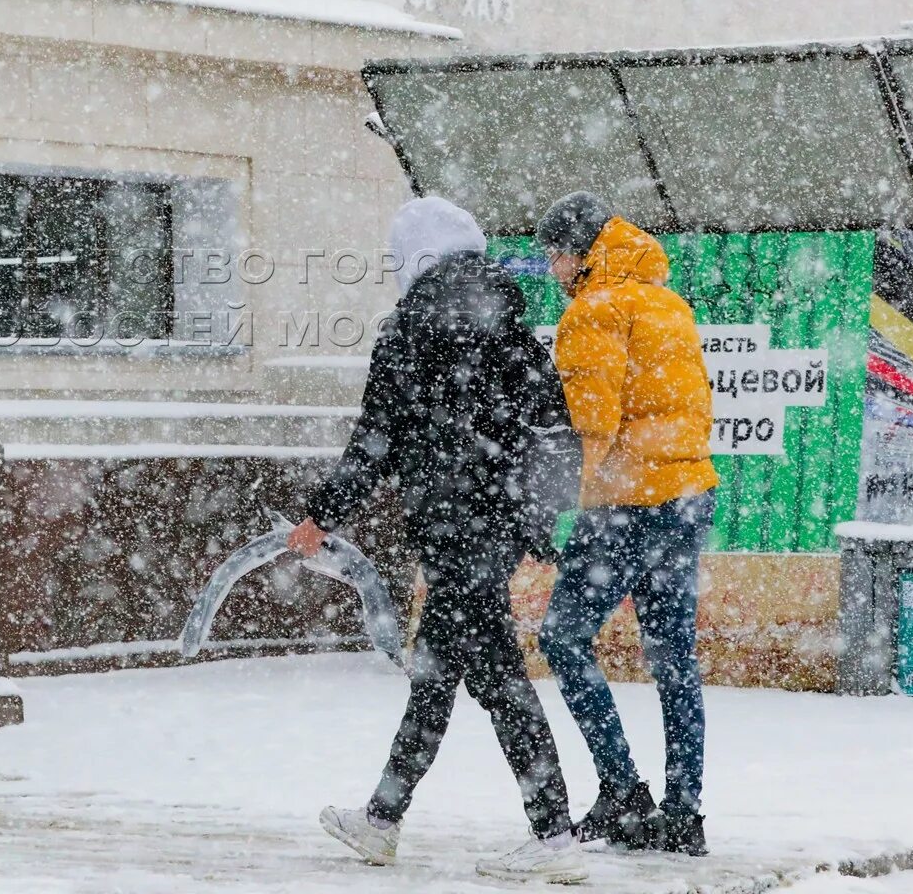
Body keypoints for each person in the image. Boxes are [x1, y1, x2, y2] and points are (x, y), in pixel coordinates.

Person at [288, 196, 588, 886]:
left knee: (499, 682)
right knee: (439, 677)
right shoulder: (513, 323)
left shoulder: (409, 330)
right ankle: (383, 820)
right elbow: (552, 431)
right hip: (494, 530)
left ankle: (551, 833)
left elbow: (376, 441)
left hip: (454, 533)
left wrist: (322, 514)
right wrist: (533, 521)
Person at [533, 192, 718, 857]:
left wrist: (555, 512)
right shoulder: (667, 303)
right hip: (689, 495)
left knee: (562, 638)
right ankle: (685, 814)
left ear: (580, 255)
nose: (551, 267)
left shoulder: (591, 312)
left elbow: (592, 428)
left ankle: (622, 791)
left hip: (627, 504)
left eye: (555, 253)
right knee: (674, 660)